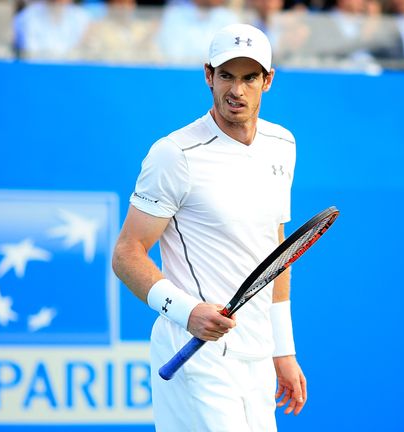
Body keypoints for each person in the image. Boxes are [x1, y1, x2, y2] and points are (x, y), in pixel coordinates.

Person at [112, 23, 305, 431]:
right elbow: (126, 253)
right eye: (226, 76)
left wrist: (282, 349)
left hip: (256, 357)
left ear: (267, 81)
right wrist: (188, 312)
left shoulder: (283, 145)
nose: (237, 90)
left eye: (250, 77)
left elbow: (277, 252)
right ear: (208, 75)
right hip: (195, 353)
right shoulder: (174, 155)